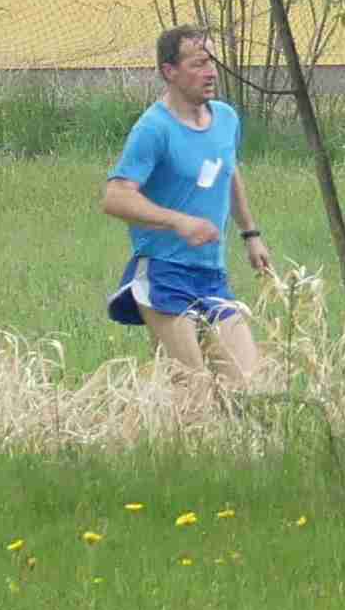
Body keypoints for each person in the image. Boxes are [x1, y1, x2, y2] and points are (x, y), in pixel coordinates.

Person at [100, 23, 272, 400]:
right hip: (164, 273)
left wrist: (250, 234)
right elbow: (115, 197)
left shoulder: (226, 119)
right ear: (170, 72)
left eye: (211, 62)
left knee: (247, 387)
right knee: (193, 391)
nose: (211, 73)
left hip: (212, 275)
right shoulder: (153, 129)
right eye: (198, 64)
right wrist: (178, 222)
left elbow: (228, 170)